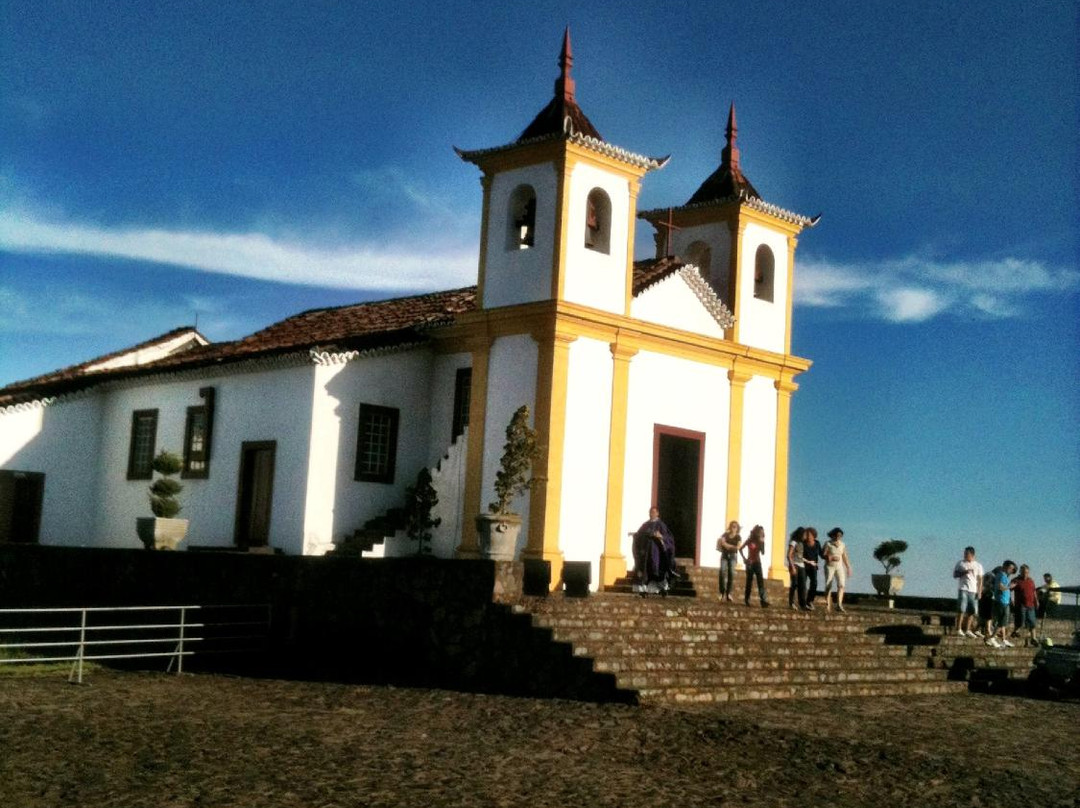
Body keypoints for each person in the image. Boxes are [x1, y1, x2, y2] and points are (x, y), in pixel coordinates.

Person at [633, 506, 676, 595]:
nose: (652, 514)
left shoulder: (661, 525)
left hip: (657, 553)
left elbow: (668, 538)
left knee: (656, 569)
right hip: (645, 553)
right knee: (645, 570)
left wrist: (661, 536)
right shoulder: (645, 525)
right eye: (650, 512)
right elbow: (640, 534)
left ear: (657, 513)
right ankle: (644, 590)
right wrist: (635, 535)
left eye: (653, 512)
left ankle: (662, 588)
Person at [952, 546, 984, 638]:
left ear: (972, 554)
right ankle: (958, 628)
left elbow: (980, 579)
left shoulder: (978, 565)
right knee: (961, 609)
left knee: (972, 610)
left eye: (967, 554)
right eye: (965, 553)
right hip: (963, 588)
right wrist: (964, 572)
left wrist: (980, 591)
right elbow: (955, 574)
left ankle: (968, 629)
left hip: (973, 590)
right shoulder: (961, 563)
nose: (965, 555)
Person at [986, 560, 1017, 648]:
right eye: (1010, 568)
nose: (1011, 570)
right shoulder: (1001, 575)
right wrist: (1009, 587)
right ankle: (991, 638)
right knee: (1002, 622)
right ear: (1005, 567)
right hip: (1001, 601)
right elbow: (1000, 587)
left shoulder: (1004, 576)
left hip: (1005, 601)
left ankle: (1003, 639)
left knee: (1004, 622)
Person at [822, 527, 853, 613]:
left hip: (839, 566)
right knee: (828, 584)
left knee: (841, 584)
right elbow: (823, 555)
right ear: (832, 535)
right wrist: (830, 557)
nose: (838, 537)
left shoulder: (842, 544)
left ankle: (839, 604)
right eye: (836, 535)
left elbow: (845, 556)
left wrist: (848, 567)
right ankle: (827, 604)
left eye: (840, 536)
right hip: (830, 566)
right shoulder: (828, 543)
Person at [1009, 565, 1039, 646]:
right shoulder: (1016, 580)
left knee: (1032, 622)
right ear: (1020, 572)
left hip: (1031, 604)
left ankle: (1033, 638)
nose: (1025, 574)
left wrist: (1036, 601)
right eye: (1023, 572)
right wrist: (1011, 600)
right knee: (1021, 620)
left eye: (1026, 572)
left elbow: (1034, 592)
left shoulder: (1031, 581)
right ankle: (1015, 632)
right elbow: (1009, 589)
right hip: (1020, 604)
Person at [740, 525, 769, 607]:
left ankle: (763, 600)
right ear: (756, 532)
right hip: (750, 563)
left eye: (762, 532)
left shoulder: (760, 542)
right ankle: (747, 599)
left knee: (760, 582)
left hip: (757, 563)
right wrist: (744, 559)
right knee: (749, 582)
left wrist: (763, 543)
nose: (762, 533)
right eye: (760, 532)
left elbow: (763, 553)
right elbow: (740, 549)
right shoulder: (749, 540)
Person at [716, 520, 741, 602]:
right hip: (724, 556)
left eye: (735, 527)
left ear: (737, 528)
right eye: (732, 526)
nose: (733, 528)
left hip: (733, 557)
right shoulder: (725, 534)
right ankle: (722, 592)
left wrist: (727, 546)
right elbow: (722, 543)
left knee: (731, 573)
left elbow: (738, 547)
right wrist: (731, 546)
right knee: (722, 571)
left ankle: (729, 593)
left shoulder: (738, 537)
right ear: (730, 527)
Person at [787, 527, 809, 611]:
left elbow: (800, 556)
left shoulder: (801, 544)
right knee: (794, 584)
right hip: (795, 565)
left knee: (802, 585)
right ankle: (791, 602)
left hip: (801, 565)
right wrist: (792, 567)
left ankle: (803, 604)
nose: (805, 536)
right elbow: (789, 555)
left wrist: (808, 561)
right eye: (804, 535)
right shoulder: (793, 542)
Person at [802, 527, 821, 608]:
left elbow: (821, 553)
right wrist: (808, 562)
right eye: (807, 535)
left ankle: (810, 601)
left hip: (813, 567)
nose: (808, 536)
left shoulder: (817, 543)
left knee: (814, 583)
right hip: (804, 565)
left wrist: (829, 557)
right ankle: (802, 602)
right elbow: (800, 555)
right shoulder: (803, 543)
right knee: (803, 583)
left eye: (809, 535)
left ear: (814, 535)